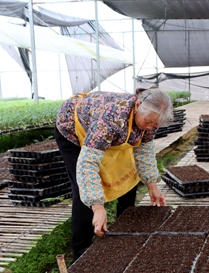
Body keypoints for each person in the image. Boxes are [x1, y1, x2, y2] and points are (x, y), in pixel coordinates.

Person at [55, 88, 173, 260]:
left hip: (111, 135)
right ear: (138, 105)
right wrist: (97, 206)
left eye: (155, 125)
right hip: (74, 130)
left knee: (128, 174)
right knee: (82, 189)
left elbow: (144, 151)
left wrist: (152, 184)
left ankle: (125, 228)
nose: (151, 127)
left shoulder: (150, 120)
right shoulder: (111, 120)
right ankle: (81, 250)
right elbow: (87, 164)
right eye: (149, 122)